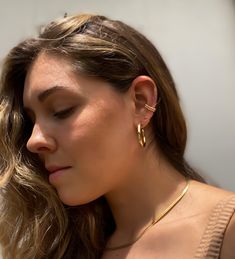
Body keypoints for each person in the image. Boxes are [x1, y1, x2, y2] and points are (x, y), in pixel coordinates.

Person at [0, 13, 234, 259]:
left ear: (141, 102)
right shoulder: (64, 248)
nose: (34, 141)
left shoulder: (226, 230)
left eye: (61, 110)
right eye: (32, 121)